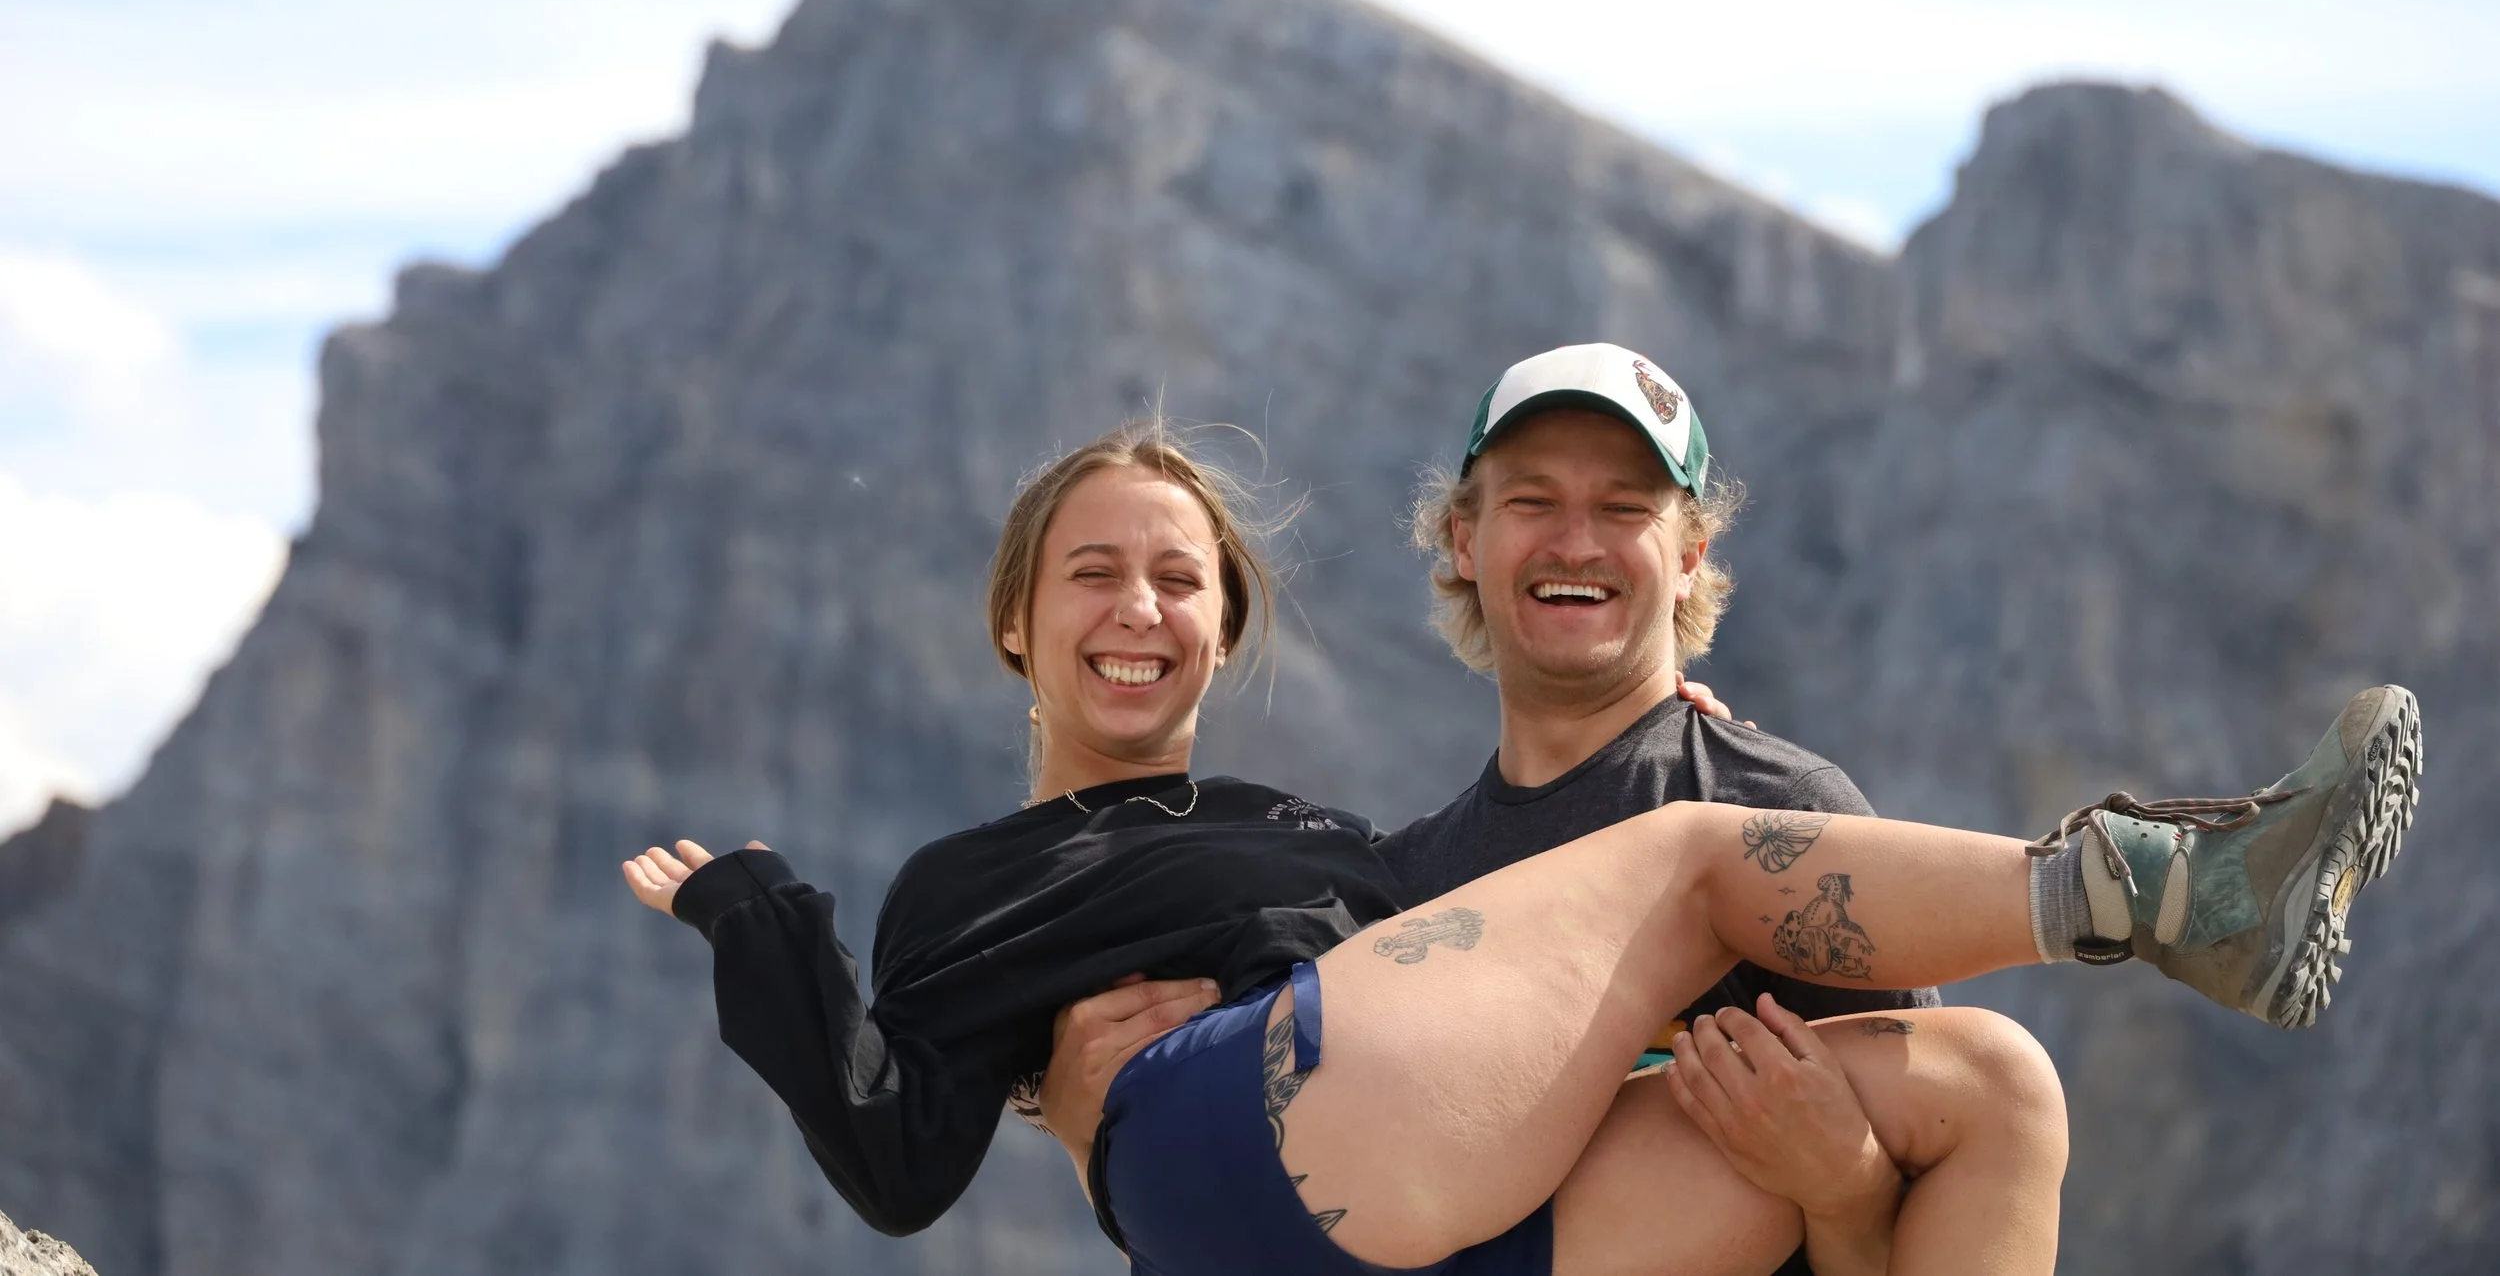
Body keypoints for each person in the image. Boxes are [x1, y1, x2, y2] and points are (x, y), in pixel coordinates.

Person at [625, 417, 2420, 1276]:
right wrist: (757, 911)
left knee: (1993, 1084)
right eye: (1094, 571)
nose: (1143, 605)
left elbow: (1487, 1014)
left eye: (1181, 576)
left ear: (1227, 630)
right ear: (1015, 621)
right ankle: (2161, 883)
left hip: (1466, 1223)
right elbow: (893, 1154)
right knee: (1703, 859)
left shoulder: (1346, 844)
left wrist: (1838, 1182)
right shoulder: (973, 878)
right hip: (1219, 1146)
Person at [1040, 345, 1944, 1275]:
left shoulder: (1782, 818)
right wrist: (1084, 1132)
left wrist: (1850, 1185)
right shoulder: (1387, 890)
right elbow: (1267, 1224)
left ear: (1687, 557)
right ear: (1465, 541)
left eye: (1624, 508)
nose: (1577, 543)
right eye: (1533, 501)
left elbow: (1945, 1197)